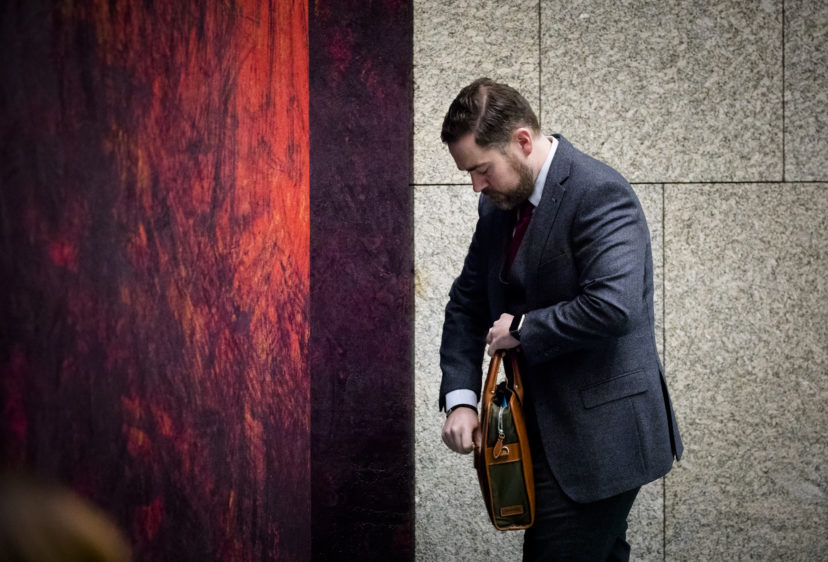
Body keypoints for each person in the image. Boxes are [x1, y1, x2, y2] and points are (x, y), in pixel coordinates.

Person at [438, 78, 683, 561]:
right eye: (469, 173)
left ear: (522, 141)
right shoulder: (498, 206)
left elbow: (613, 305)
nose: (476, 186)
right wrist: (461, 400)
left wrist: (522, 329)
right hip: (540, 435)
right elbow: (466, 304)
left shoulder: (599, 192)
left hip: (602, 442)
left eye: (482, 170)